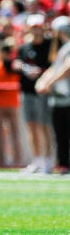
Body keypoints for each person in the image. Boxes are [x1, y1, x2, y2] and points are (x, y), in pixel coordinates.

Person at [14, 14, 53, 174]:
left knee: (44, 126)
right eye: (34, 27)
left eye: (39, 27)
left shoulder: (50, 46)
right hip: (28, 90)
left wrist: (42, 73)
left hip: (44, 92)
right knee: (31, 126)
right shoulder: (25, 47)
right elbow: (16, 63)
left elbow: (54, 66)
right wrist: (25, 69)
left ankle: (48, 161)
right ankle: (36, 160)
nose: (36, 31)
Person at [35, 16, 70, 174]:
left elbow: (67, 68)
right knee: (60, 134)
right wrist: (42, 81)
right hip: (60, 98)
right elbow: (54, 68)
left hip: (67, 98)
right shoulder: (62, 49)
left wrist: (48, 83)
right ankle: (63, 163)